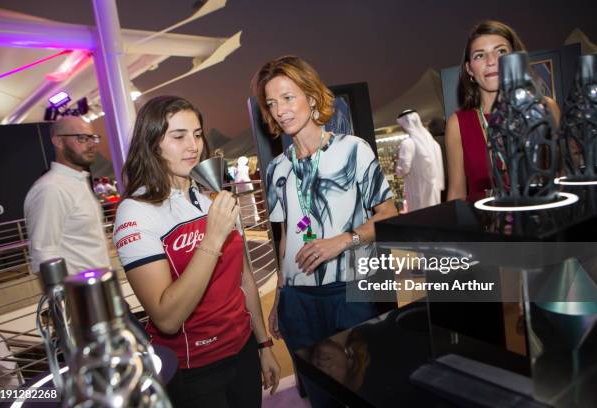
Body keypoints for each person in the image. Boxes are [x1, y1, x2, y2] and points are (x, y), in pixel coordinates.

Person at [112, 95, 279, 407]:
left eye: (198, 134)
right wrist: (212, 238)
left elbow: (245, 280)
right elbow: (166, 318)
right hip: (195, 369)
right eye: (178, 136)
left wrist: (263, 344)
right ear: (152, 143)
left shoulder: (209, 197)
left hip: (242, 350)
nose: (194, 146)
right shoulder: (136, 211)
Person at [252, 55, 398, 353]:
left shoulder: (353, 150)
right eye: (271, 103)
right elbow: (284, 239)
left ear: (312, 97)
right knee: (317, 388)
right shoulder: (276, 168)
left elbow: (388, 214)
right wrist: (281, 295)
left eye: (288, 98)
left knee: (359, 383)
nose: (280, 110)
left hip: (349, 290)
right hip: (297, 299)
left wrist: (343, 241)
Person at [445, 20, 561, 202]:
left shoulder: (545, 108)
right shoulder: (458, 124)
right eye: (479, 56)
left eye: (501, 52)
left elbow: (563, 177)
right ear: (469, 69)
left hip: (542, 221)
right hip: (487, 227)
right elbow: (456, 194)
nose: (491, 61)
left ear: (515, 58)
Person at [24, 116, 110, 275]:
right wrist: (64, 299)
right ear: (58, 141)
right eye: (82, 138)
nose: (91, 144)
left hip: (100, 288)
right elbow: (43, 255)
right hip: (80, 295)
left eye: (93, 138)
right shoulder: (51, 188)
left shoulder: (78, 181)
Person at [395, 109, 444, 212]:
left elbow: (403, 169)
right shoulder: (433, 144)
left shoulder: (407, 144)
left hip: (417, 193)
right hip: (433, 193)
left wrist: (397, 168)